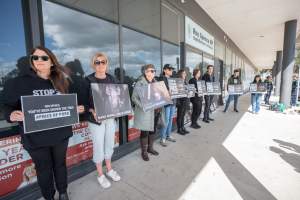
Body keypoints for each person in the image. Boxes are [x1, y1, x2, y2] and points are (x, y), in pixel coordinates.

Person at [3, 46, 85, 200]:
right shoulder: (19, 83)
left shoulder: (61, 81)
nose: (39, 60)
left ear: (52, 62)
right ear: (31, 61)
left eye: (44, 58)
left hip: (60, 134)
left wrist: (76, 109)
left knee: (60, 165)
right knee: (43, 170)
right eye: (35, 58)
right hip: (35, 137)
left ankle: (62, 192)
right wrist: (11, 115)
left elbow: (69, 103)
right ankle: (49, 197)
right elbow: (7, 106)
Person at [84, 52, 121, 189]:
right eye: (97, 62)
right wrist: (92, 111)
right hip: (96, 121)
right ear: (93, 65)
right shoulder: (87, 80)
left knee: (109, 144)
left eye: (103, 61)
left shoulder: (112, 79)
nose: (100, 65)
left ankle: (109, 169)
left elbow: (118, 97)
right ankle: (100, 174)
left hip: (110, 118)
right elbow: (82, 103)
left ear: (107, 63)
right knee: (98, 146)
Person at [131, 64, 160, 161]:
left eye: (154, 71)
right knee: (144, 131)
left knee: (153, 130)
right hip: (145, 111)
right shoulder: (140, 83)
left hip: (155, 111)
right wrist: (143, 106)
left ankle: (150, 148)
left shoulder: (156, 83)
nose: (153, 73)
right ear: (145, 72)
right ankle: (144, 152)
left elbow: (159, 96)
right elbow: (134, 98)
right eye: (151, 71)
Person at [158, 64, 176, 147]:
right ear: (164, 70)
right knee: (166, 120)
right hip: (166, 103)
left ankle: (168, 135)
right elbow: (162, 91)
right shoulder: (162, 78)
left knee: (170, 119)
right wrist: (168, 91)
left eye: (171, 69)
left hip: (173, 101)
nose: (171, 71)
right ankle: (163, 138)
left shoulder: (172, 79)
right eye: (169, 69)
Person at [176, 69, 190, 135]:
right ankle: (179, 129)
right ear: (180, 74)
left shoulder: (185, 81)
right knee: (180, 115)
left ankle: (182, 127)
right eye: (183, 73)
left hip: (185, 100)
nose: (185, 74)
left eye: (185, 73)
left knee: (183, 115)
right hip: (180, 101)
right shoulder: (178, 81)